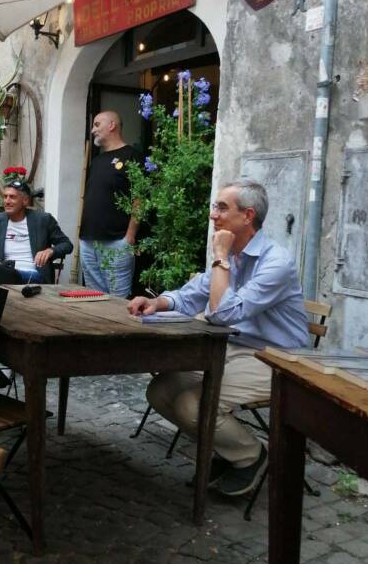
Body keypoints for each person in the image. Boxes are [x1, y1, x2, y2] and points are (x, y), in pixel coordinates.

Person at [127, 179, 308, 497]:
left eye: (222, 208)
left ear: (248, 215)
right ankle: (228, 451)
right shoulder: (233, 258)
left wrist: (220, 256)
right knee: (160, 390)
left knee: (191, 405)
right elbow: (190, 296)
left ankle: (251, 455)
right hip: (235, 347)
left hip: (278, 359)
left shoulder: (275, 262)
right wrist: (159, 302)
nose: (213, 215)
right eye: (215, 207)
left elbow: (223, 313)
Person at [79, 111, 142, 297]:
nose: (93, 130)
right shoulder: (97, 161)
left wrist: (130, 237)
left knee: (118, 301)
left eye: (97, 125)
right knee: (93, 298)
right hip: (89, 241)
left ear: (112, 125)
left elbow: (140, 199)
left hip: (117, 241)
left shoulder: (132, 156)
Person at [0, 179, 73, 284]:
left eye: (12, 197)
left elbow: (67, 244)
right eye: (5, 196)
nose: (7, 201)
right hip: (2, 271)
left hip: (33, 274)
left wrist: (50, 251)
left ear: (25, 200)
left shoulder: (43, 220)